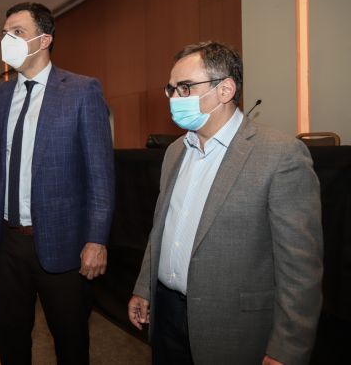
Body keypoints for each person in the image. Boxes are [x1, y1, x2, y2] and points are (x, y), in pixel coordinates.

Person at [128, 41, 323, 365]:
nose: (175, 98)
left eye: (185, 87)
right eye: (171, 89)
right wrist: (144, 287)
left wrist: (287, 349)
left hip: (233, 328)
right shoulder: (175, 151)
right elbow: (161, 228)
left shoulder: (280, 155)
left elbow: (301, 269)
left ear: (225, 90)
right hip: (166, 316)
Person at [0, 2, 115, 364]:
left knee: (70, 341)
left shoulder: (82, 91)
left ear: (44, 40)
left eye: (17, 32)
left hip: (65, 243)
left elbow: (100, 175)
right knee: (11, 338)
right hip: (7, 243)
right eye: (5, 32)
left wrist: (96, 239)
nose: (7, 39)